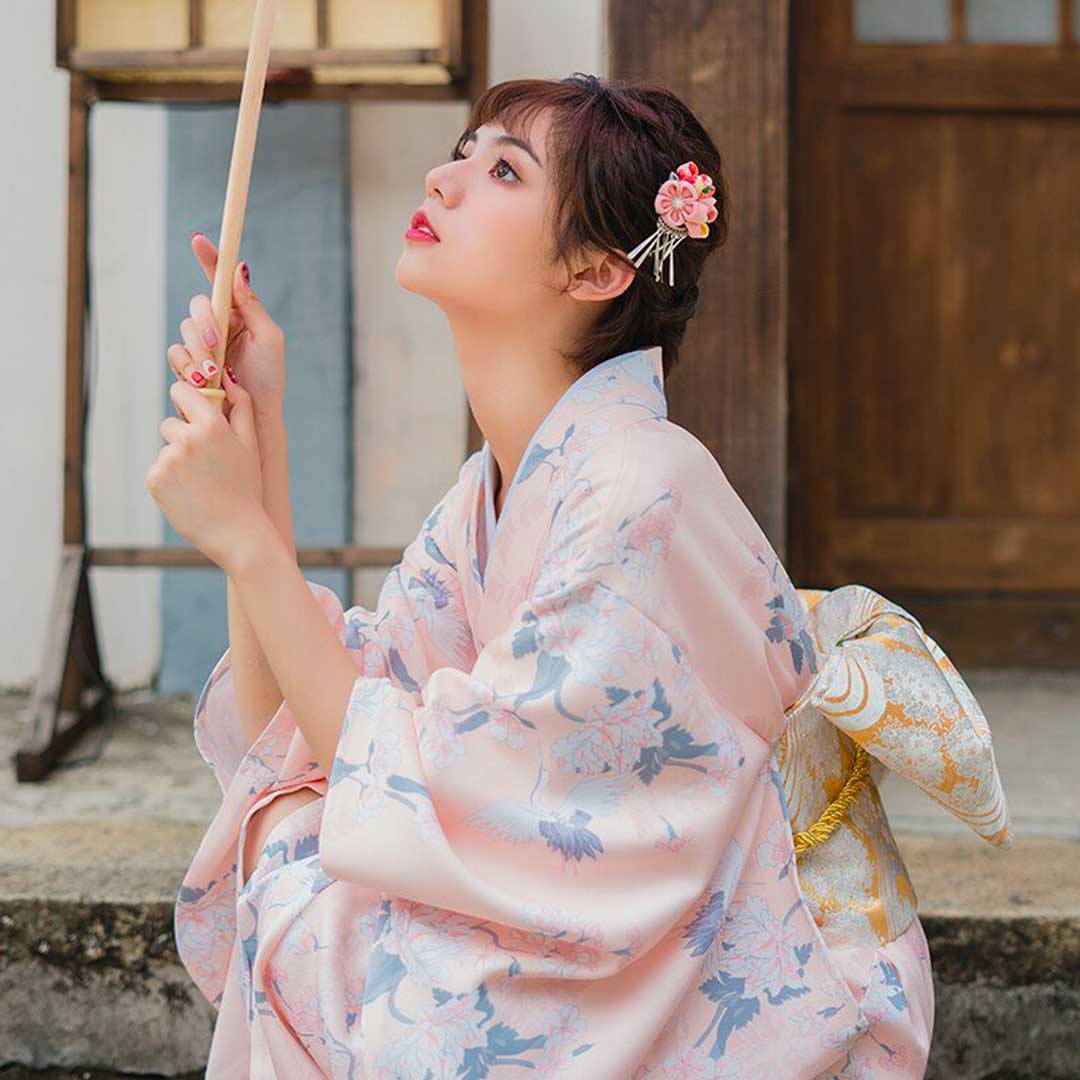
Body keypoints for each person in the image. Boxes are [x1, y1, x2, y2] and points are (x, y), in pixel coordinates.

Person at [151, 74, 1011, 1079]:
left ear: (599, 268)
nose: (446, 177)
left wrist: (249, 544)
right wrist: (263, 444)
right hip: (613, 927)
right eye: (464, 152)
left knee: (352, 952)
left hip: (724, 953)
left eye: (503, 168)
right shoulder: (494, 491)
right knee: (300, 871)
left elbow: (423, 786)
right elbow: (312, 752)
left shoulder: (641, 491)